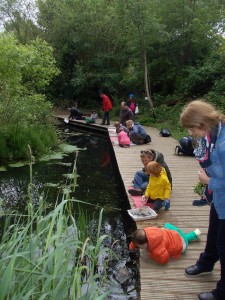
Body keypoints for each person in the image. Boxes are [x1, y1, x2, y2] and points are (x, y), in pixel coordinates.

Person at [180, 99, 225, 300]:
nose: (190, 133)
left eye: (191, 128)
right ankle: (206, 263)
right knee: (214, 232)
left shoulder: (223, 144)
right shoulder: (213, 134)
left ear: (201, 124)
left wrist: (209, 180)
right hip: (220, 199)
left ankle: (222, 292)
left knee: (224, 245)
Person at [129, 223, 201, 265]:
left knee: (186, 238)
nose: (140, 248)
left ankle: (194, 234)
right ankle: (195, 232)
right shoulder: (150, 232)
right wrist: (133, 245)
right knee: (165, 228)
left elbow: (164, 260)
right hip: (174, 233)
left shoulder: (158, 249)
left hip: (180, 243)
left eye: (140, 247)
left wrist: (153, 255)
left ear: (147, 243)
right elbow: (138, 240)